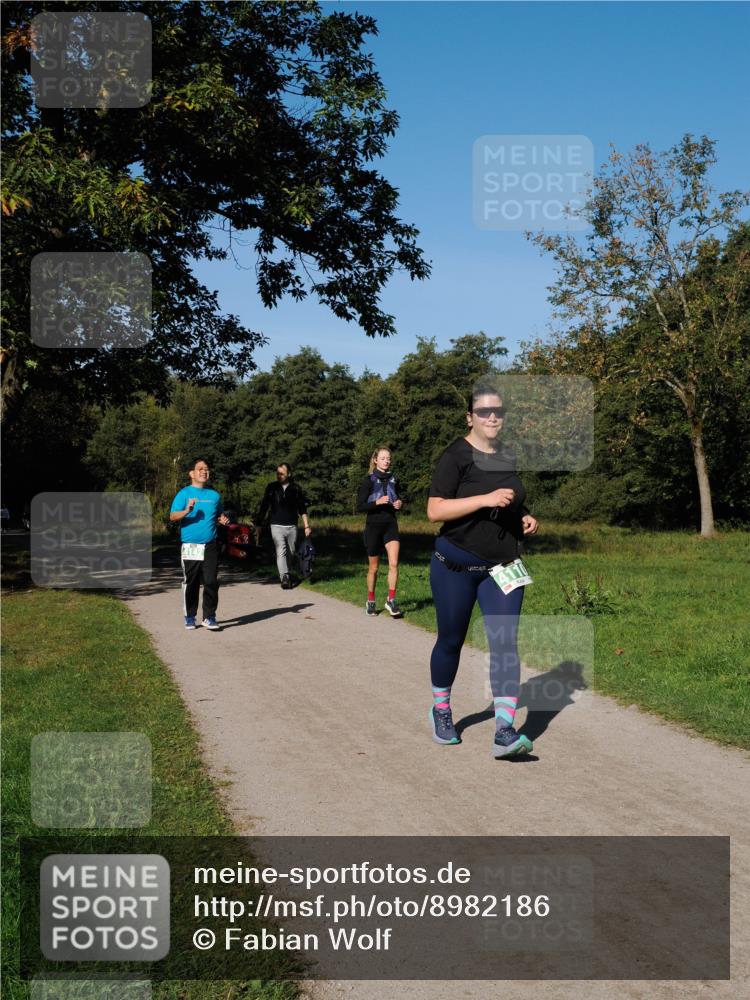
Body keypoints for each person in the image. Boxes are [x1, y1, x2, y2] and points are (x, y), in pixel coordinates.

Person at [426, 382, 539, 758]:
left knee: (505, 644)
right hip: (455, 565)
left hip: (502, 566)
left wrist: (523, 516)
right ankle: (441, 709)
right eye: (485, 412)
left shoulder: (507, 455)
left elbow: (508, 500)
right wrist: (484, 500)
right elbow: (435, 511)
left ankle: (504, 731)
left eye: (499, 412)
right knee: (451, 640)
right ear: (470, 417)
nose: (493, 417)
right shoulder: (455, 456)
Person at [170, 459, 229, 630]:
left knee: (211, 581)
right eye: (200, 469)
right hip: (190, 546)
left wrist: (222, 519)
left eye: (207, 469)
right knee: (192, 582)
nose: (204, 471)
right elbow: (173, 516)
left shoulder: (214, 496)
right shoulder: (184, 494)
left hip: (210, 545)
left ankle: (209, 617)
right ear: (192, 474)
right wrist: (187, 511)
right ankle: (190, 616)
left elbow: (219, 515)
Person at [356, 447, 404, 618]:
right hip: (373, 527)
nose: (386, 461)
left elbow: (397, 498)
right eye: (383, 458)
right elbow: (359, 506)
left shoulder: (394, 479)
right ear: (376, 460)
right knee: (374, 568)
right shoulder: (368, 481)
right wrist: (376, 502)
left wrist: (399, 504)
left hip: (391, 525)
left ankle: (391, 600)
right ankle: (370, 601)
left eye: (388, 458)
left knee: (393, 564)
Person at [255, 463, 311, 589]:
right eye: (277, 473)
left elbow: (302, 508)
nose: (279, 475)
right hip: (276, 525)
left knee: (291, 552)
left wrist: (306, 525)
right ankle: (284, 577)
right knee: (281, 550)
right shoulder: (271, 487)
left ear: (289, 474)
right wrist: (259, 523)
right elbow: (264, 506)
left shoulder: (296, 488)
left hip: (292, 526)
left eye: (282, 473)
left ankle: (288, 572)